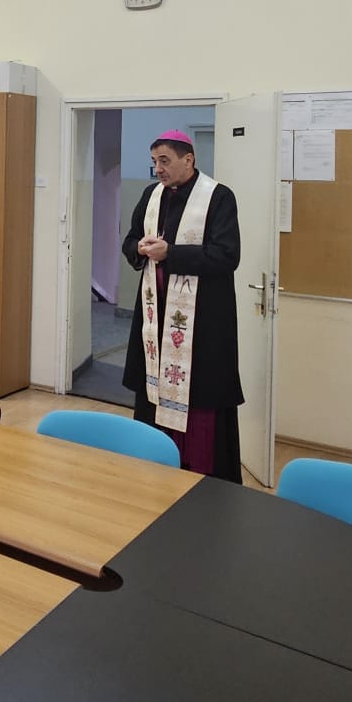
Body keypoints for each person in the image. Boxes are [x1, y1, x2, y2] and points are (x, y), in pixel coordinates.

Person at [121, 130, 243, 480]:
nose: (158, 168)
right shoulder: (151, 196)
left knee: (201, 394)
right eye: (154, 161)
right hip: (155, 318)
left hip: (202, 321)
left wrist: (171, 253)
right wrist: (139, 248)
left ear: (188, 159)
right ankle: (153, 464)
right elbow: (130, 239)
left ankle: (202, 472)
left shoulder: (218, 197)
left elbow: (227, 255)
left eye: (165, 161)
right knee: (152, 393)